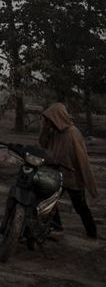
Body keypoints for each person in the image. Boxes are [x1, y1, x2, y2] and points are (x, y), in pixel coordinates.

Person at [40, 102, 98, 239]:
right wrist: (45, 129)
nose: (49, 121)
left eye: (50, 119)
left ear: (58, 117)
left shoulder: (73, 133)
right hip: (56, 175)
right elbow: (43, 143)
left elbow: (82, 158)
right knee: (49, 201)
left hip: (72, 176)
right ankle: (57, 227)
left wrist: (88, 181)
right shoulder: (53, 131)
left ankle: (92, 232)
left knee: (80, 206)